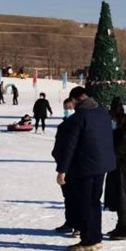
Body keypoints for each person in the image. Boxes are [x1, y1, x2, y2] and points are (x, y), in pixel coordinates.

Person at [52, 86, 116, 251]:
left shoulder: (79, 118)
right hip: (101, 166)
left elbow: (69, 147)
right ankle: (96, 238)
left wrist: (62, 170)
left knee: (85, 204)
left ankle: (88, 240)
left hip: (85, 167)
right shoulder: (103, 113)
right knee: (94, 202)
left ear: (75, 99)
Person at [104, 97, 126, 240]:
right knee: (119, 196)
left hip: (121, 168)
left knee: (121, 197)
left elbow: (119, 151)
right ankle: (120, 226)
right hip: (121, 167)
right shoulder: (124, 130)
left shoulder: (121, 134)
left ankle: (124, 229)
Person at [52, 98, 78, 236]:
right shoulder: (63, 125)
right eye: (65, 107)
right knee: (67, 196)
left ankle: (78, 224)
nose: (67, 110)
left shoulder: (78, 125)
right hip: (63, 164)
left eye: (69, 107)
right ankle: (69, 222)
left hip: (75, 166)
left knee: (77, 197)